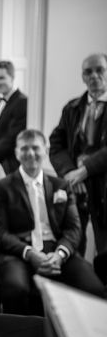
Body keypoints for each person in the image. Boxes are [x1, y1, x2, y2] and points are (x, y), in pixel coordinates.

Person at [0, 129, 105, 316]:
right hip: (19, 252)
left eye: (35, 148)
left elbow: (73, 228)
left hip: (57, 251)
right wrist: (29, 253)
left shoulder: (61, 186)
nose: (30, 153)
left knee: (93, 289)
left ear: (46, 149)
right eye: (24, 148)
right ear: (16, 152)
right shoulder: (2, 187)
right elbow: (1, 233)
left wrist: (60, 254)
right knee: (15, 289)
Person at [49, 53, 107, 257]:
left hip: (103, 185)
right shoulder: (72, 107)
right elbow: (56, 144)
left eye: (100, 70)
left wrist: (86, 170)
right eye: (88, 72)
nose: (94, 76)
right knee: (74, 243)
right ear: (83, 77)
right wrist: (70, 172)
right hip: (76, 186)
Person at [0, 60, 28, 173]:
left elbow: (12, 139)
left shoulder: (22, 102)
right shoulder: (0, 102)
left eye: (1, 78)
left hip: (9, 165)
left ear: (12, 77)